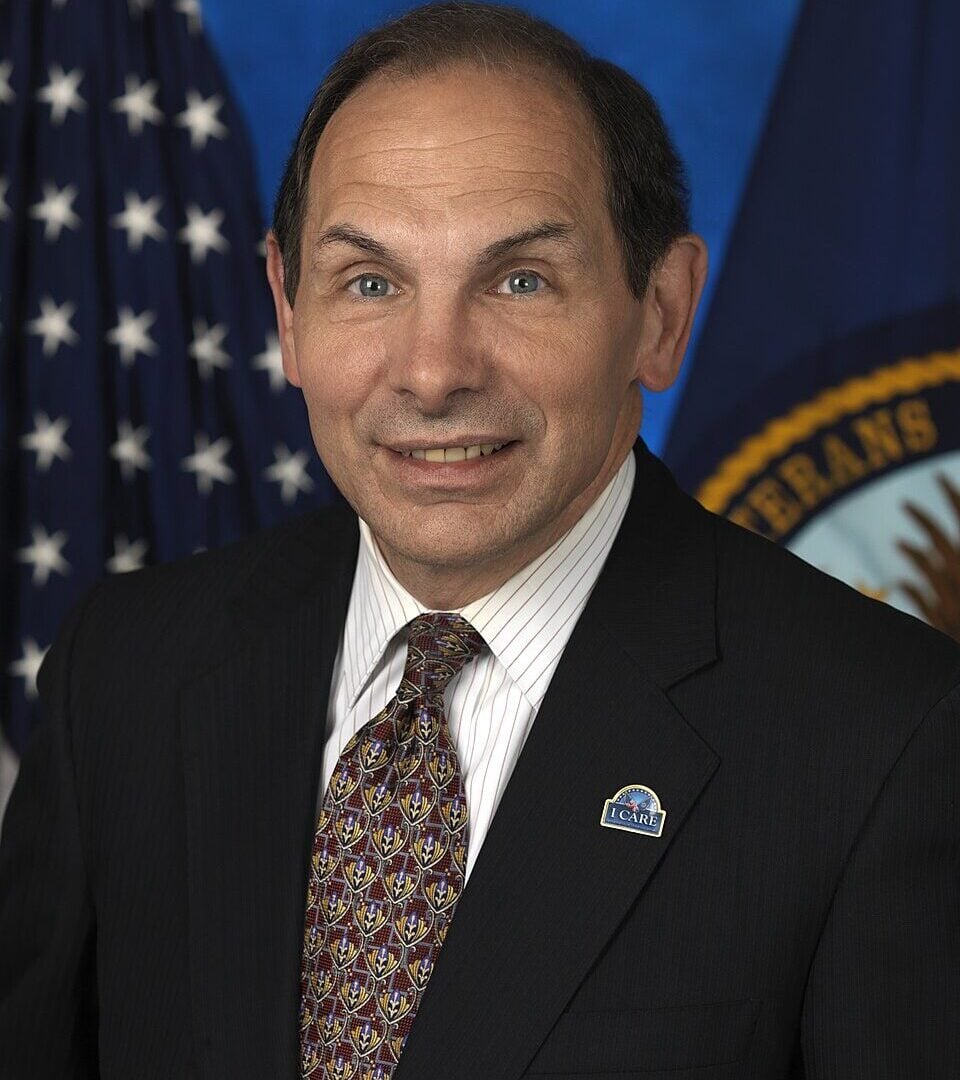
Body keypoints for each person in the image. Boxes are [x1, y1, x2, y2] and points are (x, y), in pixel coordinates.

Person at [1, 3, 958, 1078]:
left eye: (519, 281)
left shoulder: (888, 741)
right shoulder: (123, 675)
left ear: (661, 311)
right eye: (370, 283)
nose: (433, 369)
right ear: (286, 308)